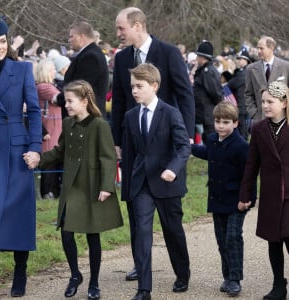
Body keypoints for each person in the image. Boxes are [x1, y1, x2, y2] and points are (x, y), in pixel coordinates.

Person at [112, 7, 195, 281]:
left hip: (168, 149)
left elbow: (185, 97)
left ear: (137, 25)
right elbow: (121, 103)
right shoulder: (122, 57)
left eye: (121, 28)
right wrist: (117, 142)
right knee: (138, 215)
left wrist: (184, 141)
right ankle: (141, 265)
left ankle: (181, 272)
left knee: (171, 222)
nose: (118, 34)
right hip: (135, 149)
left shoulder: (169, 52)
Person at [38, 80, 123, 299]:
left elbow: (108, 157)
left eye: (70, 101)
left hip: (92, 186)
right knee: (66, 233)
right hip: (71, 186)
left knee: (92, 236)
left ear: (85, 101)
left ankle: (94, 283)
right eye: (65, 100)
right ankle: (75, 275)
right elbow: (60, 151)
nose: (66, 104)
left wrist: (106, 186)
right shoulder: (68, 124)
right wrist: (39, 159)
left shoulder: (99, 125)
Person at [124, 63, 190, 300]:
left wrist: (173, 169)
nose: (134, 91)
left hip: (167, 182)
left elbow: (184, 147)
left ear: (154, 86)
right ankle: (144, 288)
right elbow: (130, 155)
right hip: (141, 184)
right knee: (142, 233)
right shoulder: (131, 116)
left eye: (139, 86)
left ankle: (182, 274)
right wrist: (127, 190)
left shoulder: (170, 112)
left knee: (173, 232)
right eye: (132, 86)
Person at [0, 10, 42, 297]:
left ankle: (19, 274)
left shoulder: (22, 70)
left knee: (19, 215)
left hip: (17, 150)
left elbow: (34, 112)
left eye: (2, 40)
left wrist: (35, 148)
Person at [191, 101, 256, 297]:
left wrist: (248, 198)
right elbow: (208, 153)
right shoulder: (212, 139)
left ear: (235, 123)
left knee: (233, 237)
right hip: (217, 199)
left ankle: (235, 279)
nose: (221, 126)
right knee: (221, 240)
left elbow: (249, 174)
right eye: (218, 121)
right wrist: (190, 147)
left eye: (226, 122)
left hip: (237, 200)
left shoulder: (241, 146)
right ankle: (227, 276)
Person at [238, 80, 289, 300]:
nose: (266, 106)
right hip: (270, 196)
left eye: (271, 102)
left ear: (284, 102)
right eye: (263, 102)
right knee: (274, 242)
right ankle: (279, 285)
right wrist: (245, 194)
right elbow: (252, 164)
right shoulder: (258, 129)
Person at [54, 21, 109, 119]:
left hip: (86, 120)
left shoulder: (91, 56)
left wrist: (58, 99)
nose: (69, 40)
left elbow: (80, 89)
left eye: (71, 36)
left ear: (82, 37)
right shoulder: (89, 53)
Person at [245, 36, 289, 123]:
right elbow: (248, 94)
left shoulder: (286, 67)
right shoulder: (251, 69)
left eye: (261, 48)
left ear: (271, 48)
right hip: (260, 119)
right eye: (257, 48)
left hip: (282, 119)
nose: (258, 51)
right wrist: (254, 113)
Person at [35, 58, 62, 199]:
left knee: (54, 163)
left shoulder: (49, 86)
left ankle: (54, 192)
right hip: (49, 132)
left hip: (55, 131)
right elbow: (60, 98)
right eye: (52, 70)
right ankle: (47, 193)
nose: (54, 72)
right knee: (49, 163)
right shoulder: (44, 87)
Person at [194, 40, 223, 144]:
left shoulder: (207, 72)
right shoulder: (204, 70)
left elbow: (215, 94)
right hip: (204, 114)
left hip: (209, 114)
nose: (196, 58)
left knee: (212, 142)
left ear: (203, 57)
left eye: (198, 55)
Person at [227, 50, 252, 140]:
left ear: (246, 60)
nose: (239, 61)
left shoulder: (244, 73)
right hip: (244, 103)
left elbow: (231, 84)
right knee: (242, 129)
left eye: (241, 59)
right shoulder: (244, 71)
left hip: (242, 104)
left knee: (242, 131)